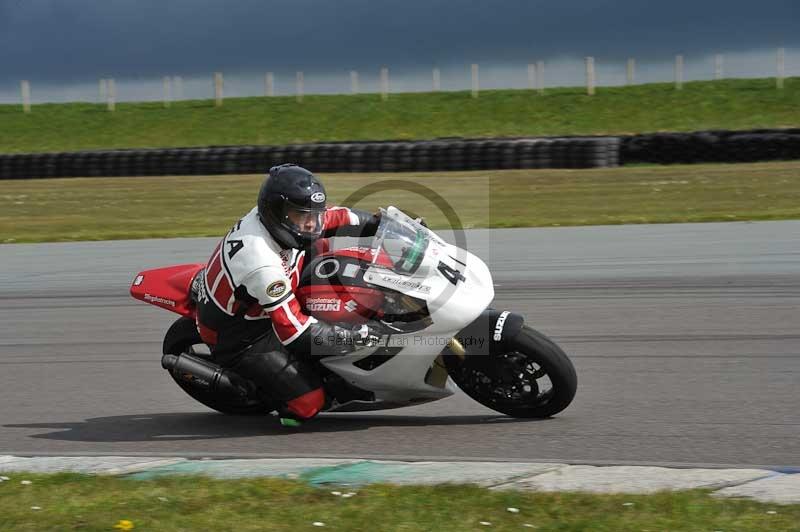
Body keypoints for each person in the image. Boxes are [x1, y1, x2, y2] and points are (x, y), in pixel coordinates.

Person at [195, 163, 384, 425]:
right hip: (243, 333)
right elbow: (293, 331)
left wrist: (379, 224)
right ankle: (270, 395)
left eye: (312, 214)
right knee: (308, 405)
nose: (311, 224)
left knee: (325, 247)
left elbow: (334, 217)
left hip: (270, 292)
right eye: (301, 216)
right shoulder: (261, 262)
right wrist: (350, 338)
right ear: (276, 213)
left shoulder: (285, 220)